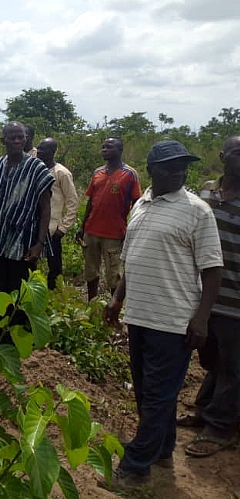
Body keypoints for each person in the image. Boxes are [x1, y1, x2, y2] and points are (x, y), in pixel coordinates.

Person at [102, 141, 223, 491]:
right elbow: (132, 257)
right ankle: (163, 448)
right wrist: (116, 299)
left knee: (156, 395)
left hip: (173, 321)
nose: (179, 171)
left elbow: (213, 270)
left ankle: (135, 466)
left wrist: (201, 318)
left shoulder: (198, 211)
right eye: (171, 166)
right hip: (140, 315)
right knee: (147, 391)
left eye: (183, 166)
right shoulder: (141, 204)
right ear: (152, 169)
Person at [178, 135, 240, 457]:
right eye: (238, 153)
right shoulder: (205, 190)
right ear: (222, 156)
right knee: (212, 360)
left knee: (232, 366)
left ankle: (221, 428)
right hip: (205, 297)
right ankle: (206, 411)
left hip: (235, 301)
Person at [0, 122, 54, 325]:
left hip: (25, 244)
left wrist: (40, 243)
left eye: (22, 137)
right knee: (2, 291)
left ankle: (19, 334)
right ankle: (3, 332)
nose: (18, 141)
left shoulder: (36, 168)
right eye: (13, 137)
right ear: (4, 140)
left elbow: (45, 208)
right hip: (1, 243)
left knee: (20, 292)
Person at [76, 138, 141, 300]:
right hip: (91, 231)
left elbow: (137, 204)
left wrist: (131, 229)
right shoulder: (97, 173)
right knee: (91, 271)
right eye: (103, 147)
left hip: (114, 233)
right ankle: (91, 304)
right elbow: (91, 201)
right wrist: (82, 226)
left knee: (114, 274)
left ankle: (114, 310)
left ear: (120, 150)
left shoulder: (130, 174)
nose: (104, 149)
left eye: (109, 147)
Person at [36, 138, 79, 290]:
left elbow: (72, 202)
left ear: (52, 152)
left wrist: (63, 228)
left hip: (52, 229)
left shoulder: (61, 173)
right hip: (34, 225)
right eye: (38, 148)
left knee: (54, 266)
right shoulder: (34, 169)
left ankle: (54, 295)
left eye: (43, 149)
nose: (38, 151)